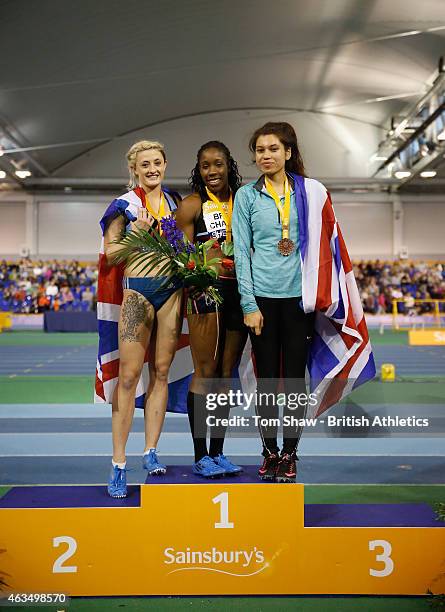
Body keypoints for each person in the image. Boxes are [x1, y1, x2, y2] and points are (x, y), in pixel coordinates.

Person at [232, 122, 375, 483]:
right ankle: (269, 451)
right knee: (267, 382)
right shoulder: (247, 196)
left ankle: (291, 453)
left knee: (295, 382)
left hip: (300, 302)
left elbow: (329, 245)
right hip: (262, 301)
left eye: (273, 149)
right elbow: (241, 255)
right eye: (260, 150)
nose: (265, 156)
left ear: (288, 153)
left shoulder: (311, 193)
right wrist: (249, 305)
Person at [98, 140, 183, 497]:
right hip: (138, 294)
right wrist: (137, 234)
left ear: (165, 165)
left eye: (157, 163)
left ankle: (150, 450)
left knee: (162, 372)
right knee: (130, 377)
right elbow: (111, 253)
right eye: (144, 164)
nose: (152, 169)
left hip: (172, 293)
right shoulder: (124, 205)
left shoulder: (177, 203)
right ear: (134, 168)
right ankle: (119, 463)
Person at [175, 141, 248, 478]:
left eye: (218, 164)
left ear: (228, 165)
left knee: (225, 375)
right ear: (198, 169)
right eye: (205, 166)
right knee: (205, 372)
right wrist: (201, 274)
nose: (212, 171)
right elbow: (179, 257)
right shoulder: (192, 205)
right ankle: (200, 455)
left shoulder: (244, 199)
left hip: (239, 292)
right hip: (205, 293)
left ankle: (218, 453)